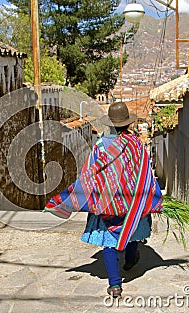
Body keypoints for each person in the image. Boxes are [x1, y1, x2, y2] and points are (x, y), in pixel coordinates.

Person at [44, 102, 163, 297]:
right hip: (132, 199)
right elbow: (144, 172)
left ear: (110, 124)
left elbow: (90, 171)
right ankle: (131, 259)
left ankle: (115, 285)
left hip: (107, 201)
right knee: (133, 227)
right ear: (128, 123)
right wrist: (149, 194)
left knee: (109, 242)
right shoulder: (137, 144)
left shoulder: (100, 144)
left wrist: (78, 194)